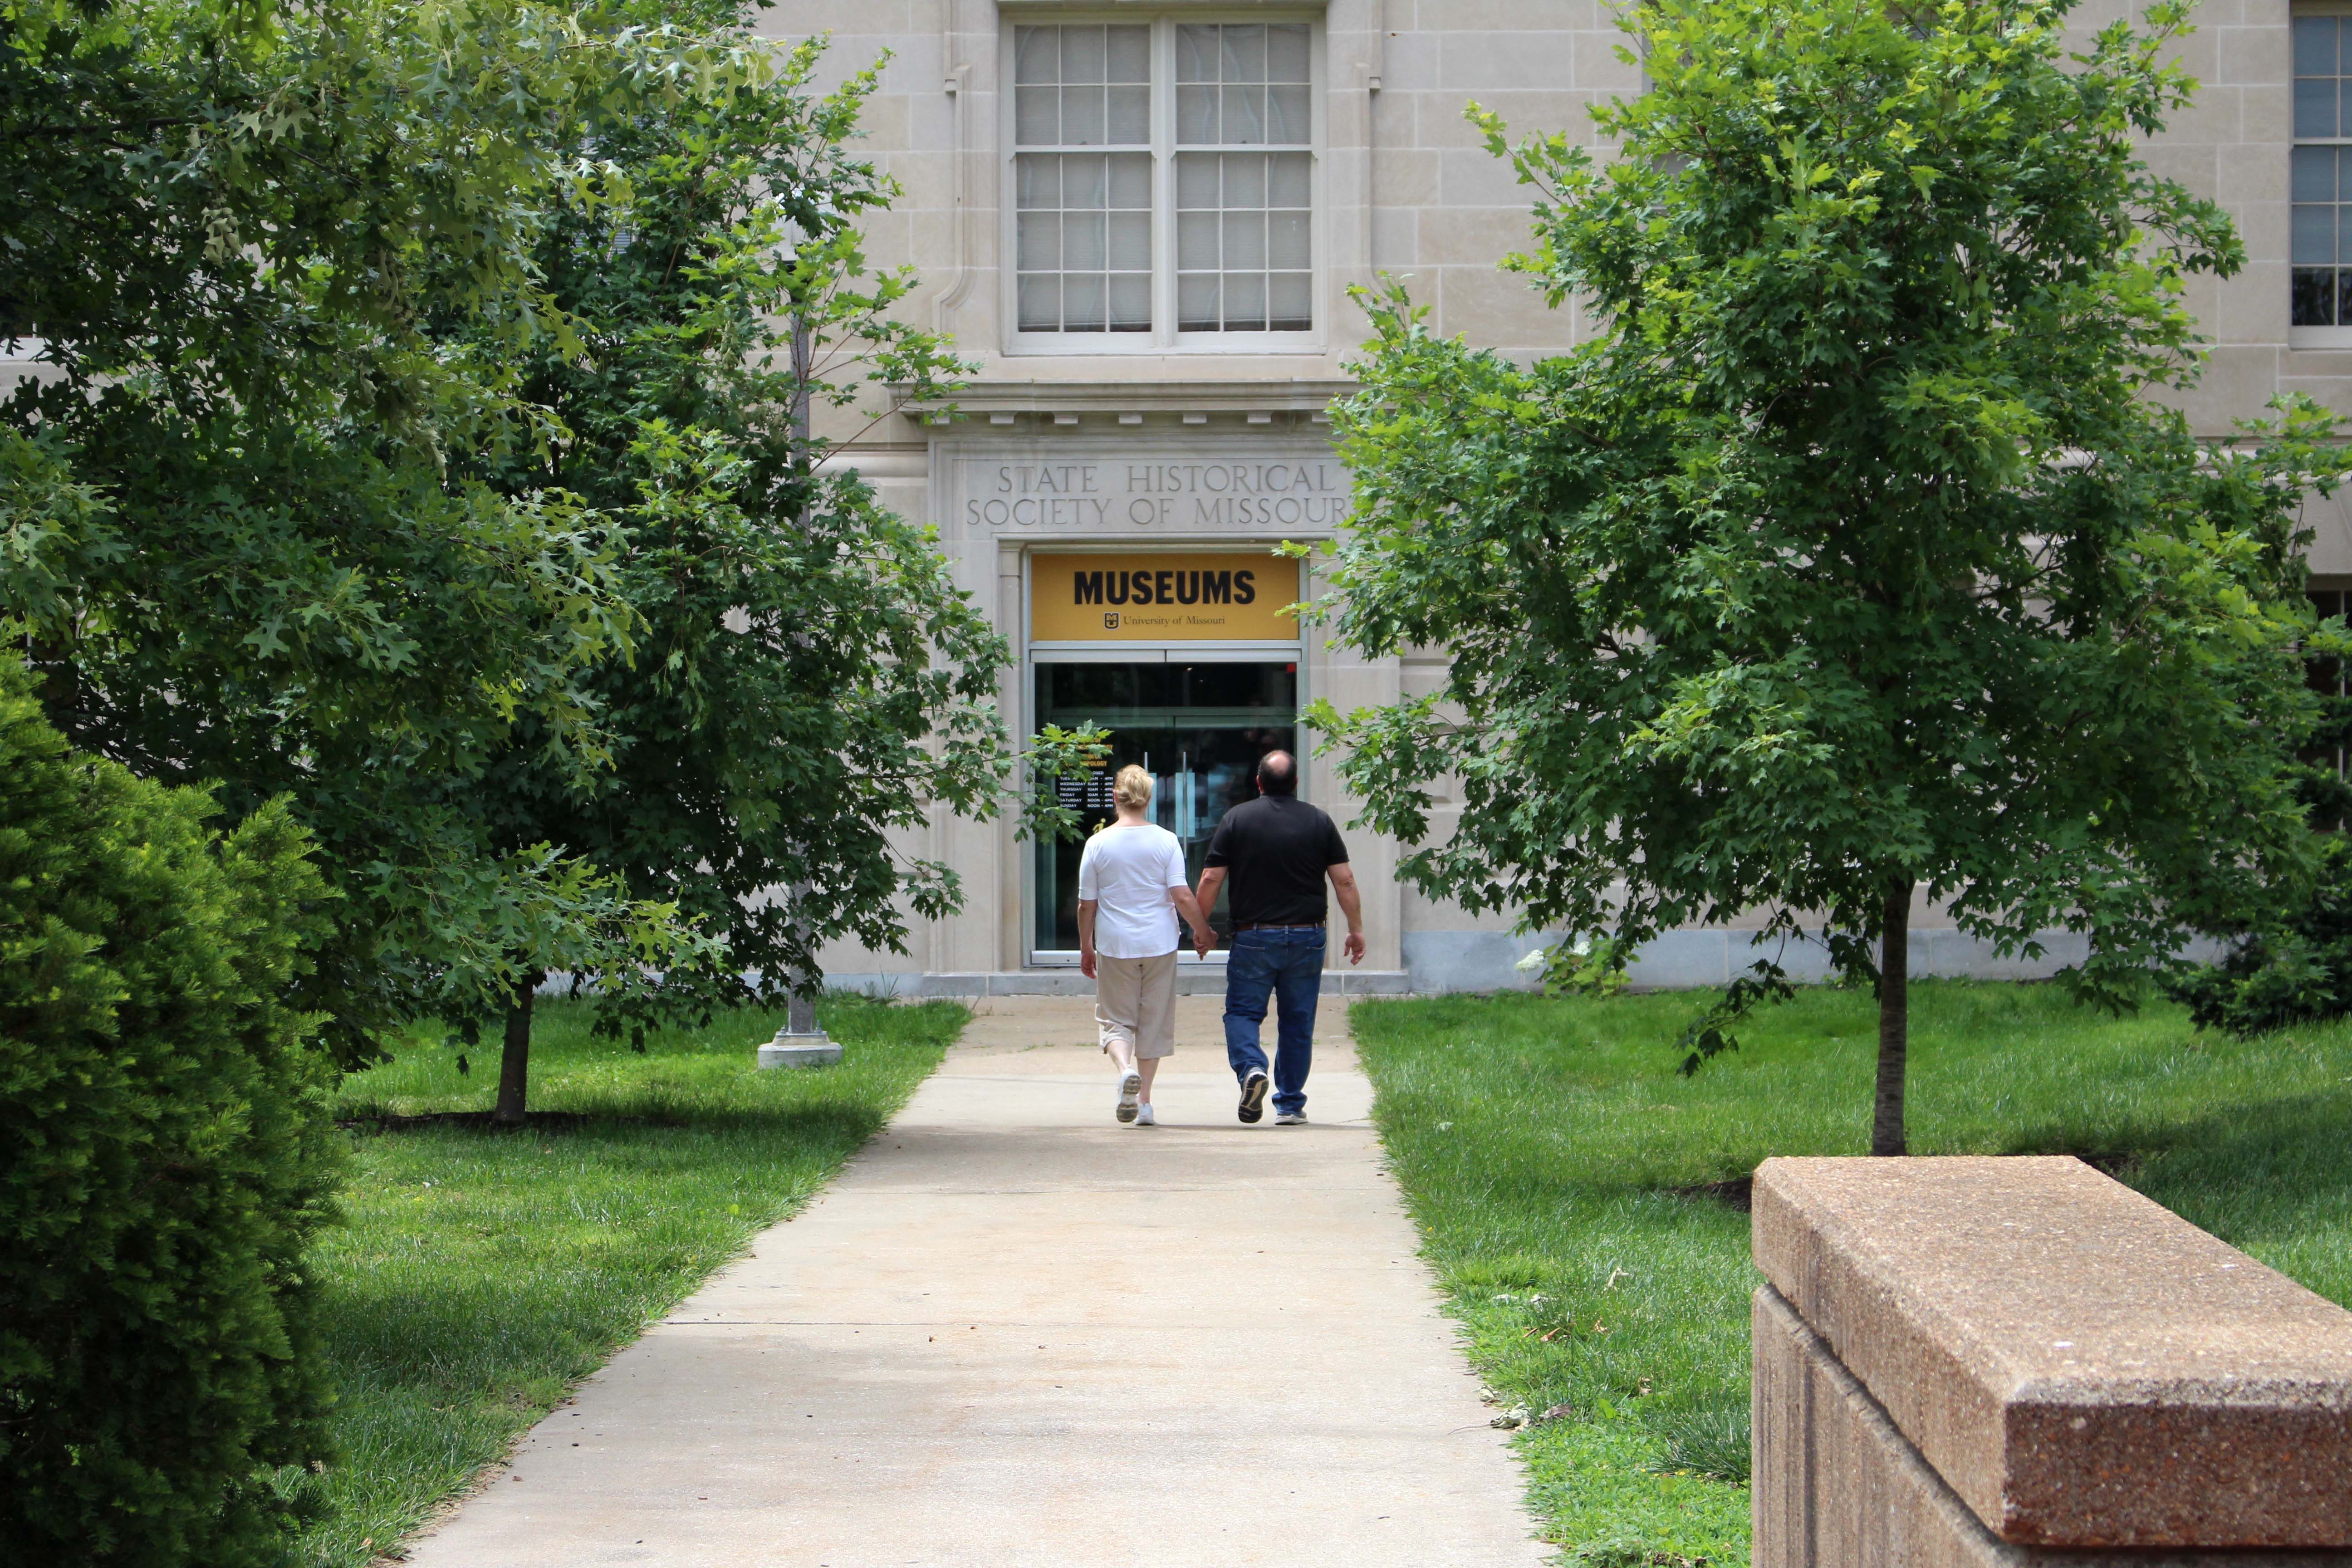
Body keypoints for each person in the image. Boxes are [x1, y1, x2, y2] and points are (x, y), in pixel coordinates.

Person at [1195, 750, 1364, 1126]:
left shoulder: (1236, 819)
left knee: (1242, 1012)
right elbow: (1345, 880)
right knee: (1297, 1020)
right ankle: (1289, 1104)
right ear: (1296, 784)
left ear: (1258, 783)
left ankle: (1253, 1068)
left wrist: (1200, 927)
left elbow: (1210, 879)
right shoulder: (1320, 822)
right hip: (1308, 936)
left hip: (1254, 937)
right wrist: (1355, 929)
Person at [1078, 764, 1216, 1127]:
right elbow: (1182, 895)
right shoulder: (1166, 840)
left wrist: (1086, 946)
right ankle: (1145, 1103)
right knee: (1153, 1020)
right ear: (1149, 799)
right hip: (1159, 943)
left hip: (1115, 944)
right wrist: (1202, 931)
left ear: (1115, 797)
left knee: (1115, 1019)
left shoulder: (1097, 844)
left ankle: (1124, 1070)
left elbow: (1086, 904)